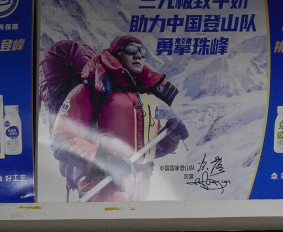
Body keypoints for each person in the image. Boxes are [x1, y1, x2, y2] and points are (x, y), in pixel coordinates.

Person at [52, 35, 188, 201]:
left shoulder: (145, 97)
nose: (138, 55)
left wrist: (170, 139)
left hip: (140, 183)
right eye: (131, 50)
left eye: (142, 52)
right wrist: (106, 161)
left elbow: (146, 149)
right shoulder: (89, 91)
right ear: (116, 55)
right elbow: (61, 140)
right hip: (102, 181)